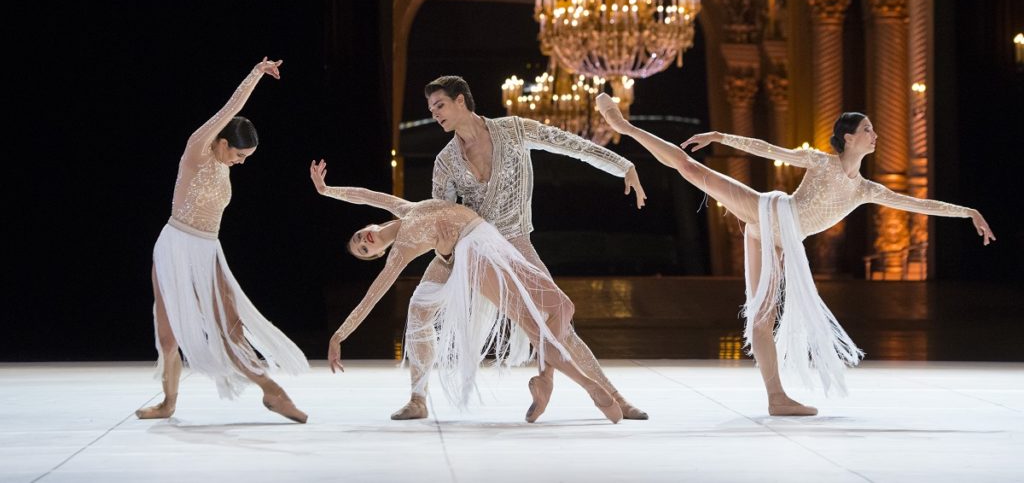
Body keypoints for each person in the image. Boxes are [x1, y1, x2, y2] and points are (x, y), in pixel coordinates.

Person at [595, 96, 995, 415]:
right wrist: (721, 136)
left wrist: (968, 212)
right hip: (768, 211)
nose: (876, 134)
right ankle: (624, 126)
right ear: (848, 137)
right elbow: (771, 149)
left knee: (762, 316)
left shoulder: (865, 189)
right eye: (868, 129)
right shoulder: (822, 162)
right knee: (692, 169)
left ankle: (776, 398)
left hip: (778, 239)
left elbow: (914, 203)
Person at [393, 76, 649, 423]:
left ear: (460, 101)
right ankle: (418, 398)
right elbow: (441, 216)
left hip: (515, 243)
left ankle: (613, 397)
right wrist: (442, 253)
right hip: (467, 247)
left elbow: (569, 143)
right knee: (419, 309)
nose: (435, 114)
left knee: (558, 321)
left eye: (439, 106)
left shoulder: (513, 130)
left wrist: (622, 165)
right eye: (431, 109)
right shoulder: (445, 161)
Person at [310, 160, 624, 424]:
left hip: (490, 238)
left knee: (561, 306)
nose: (365, 241)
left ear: (367, 226)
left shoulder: (403, 208)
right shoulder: (399, 252)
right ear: (377, 254)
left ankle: (545, 379)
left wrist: (326, 191)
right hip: (474, 254)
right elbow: (371, 297)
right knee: (532, 325)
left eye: (359, 238)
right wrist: (339, 335)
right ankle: (591, 387)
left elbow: (365, 195)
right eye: (365, 250)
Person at [135, 58, 309, 423]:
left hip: (208, 249)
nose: (242, 162)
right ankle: (168, 403)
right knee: (168, 337)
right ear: (224, 142)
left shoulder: (223, 166)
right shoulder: (197, 151)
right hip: (176, 245)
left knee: (231, 328)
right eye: (240, 154)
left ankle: (271, 392)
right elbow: (230, 109)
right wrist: (255, 75)